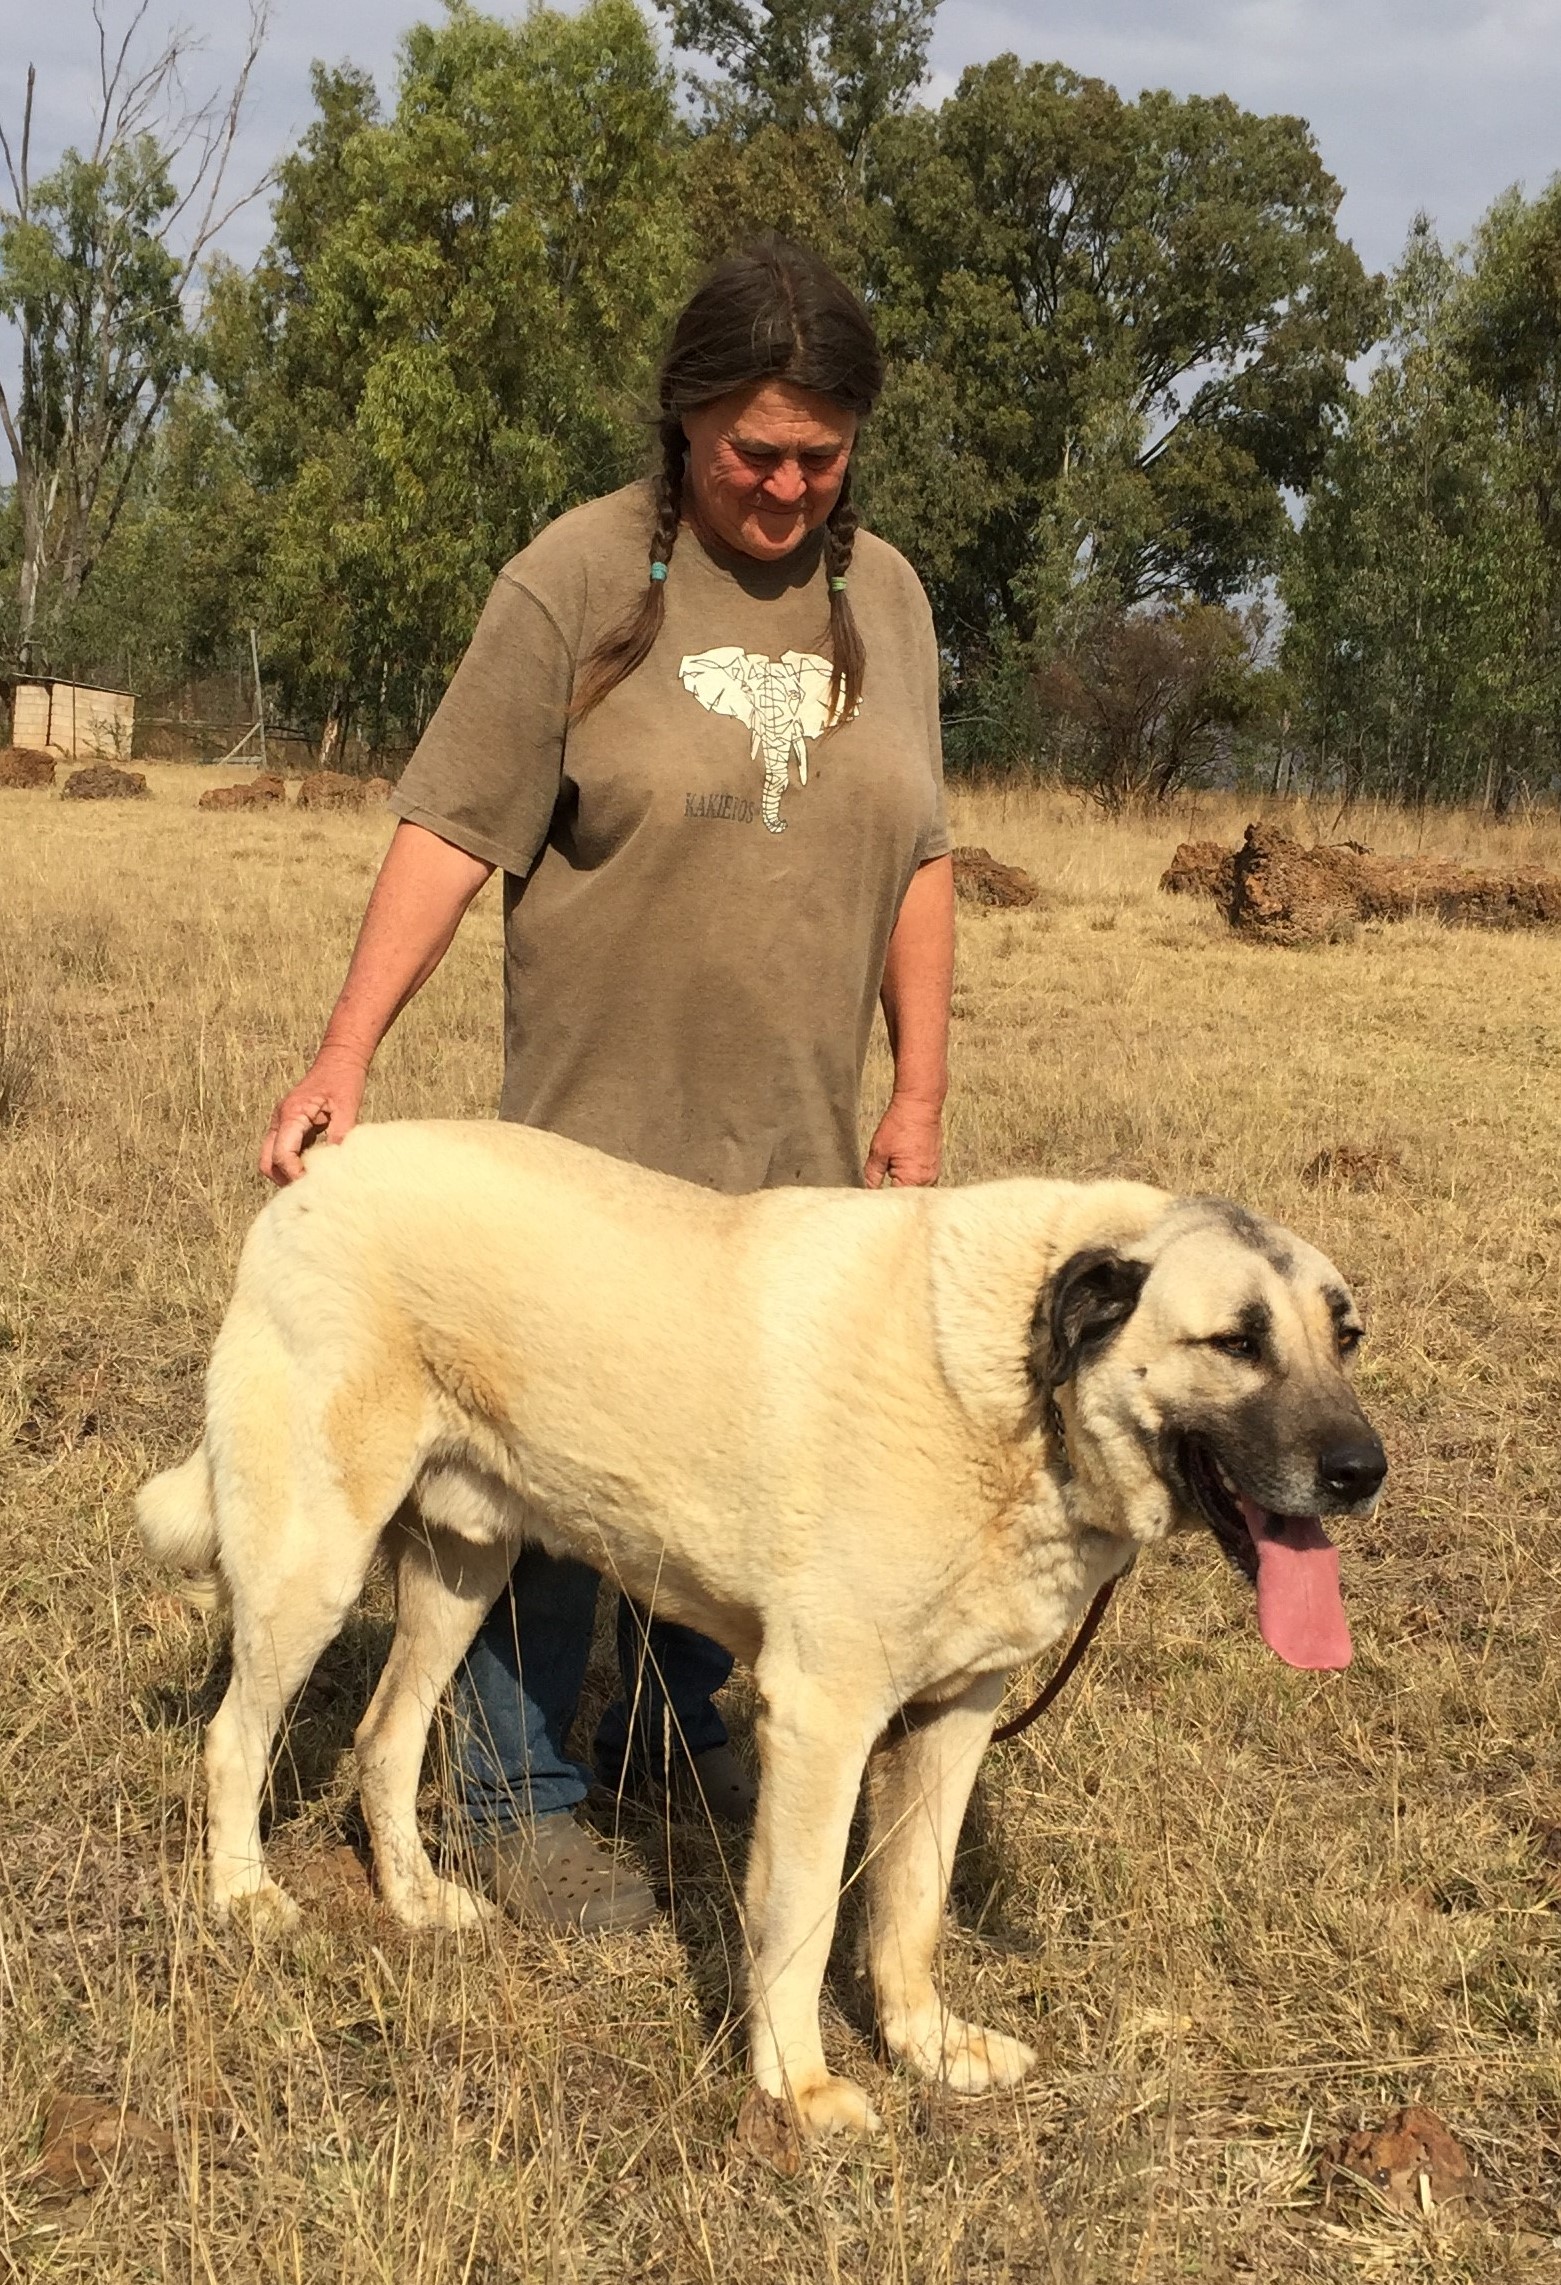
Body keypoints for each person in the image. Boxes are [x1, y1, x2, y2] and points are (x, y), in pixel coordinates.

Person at [260, 238, 955, 1934]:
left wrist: (916, 1089)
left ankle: (667, 1731)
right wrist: (343, 1049)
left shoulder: (896, 598)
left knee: (746, 1469)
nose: (788, 486)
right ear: (684, 422)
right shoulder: (571, 579)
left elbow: (922, 855)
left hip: (791, 1170)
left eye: (820, 455)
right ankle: (517, 1789)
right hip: (586, 1147)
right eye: (752, 452)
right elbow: (447, 825)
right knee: (546, 1472)